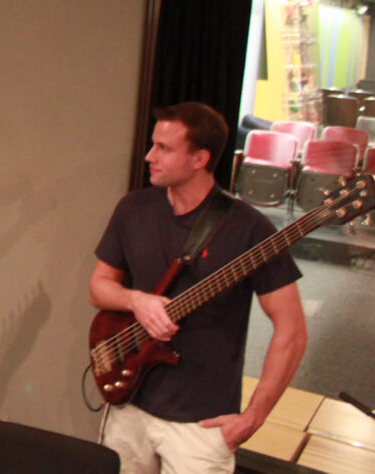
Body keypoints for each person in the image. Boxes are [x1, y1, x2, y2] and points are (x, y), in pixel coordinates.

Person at [88, 102, 307, 473]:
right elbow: (99, 288)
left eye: (164, 148)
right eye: (153, 144)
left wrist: (254, 417)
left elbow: (293, 330)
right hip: (128, 408)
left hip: (201, 424)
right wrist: (137, 301)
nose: (148, 156)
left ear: (199, 159)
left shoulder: (249, 230)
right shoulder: (133, 209)